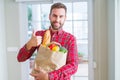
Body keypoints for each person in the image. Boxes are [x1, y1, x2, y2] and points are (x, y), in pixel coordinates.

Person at [17, 2, 79, 80]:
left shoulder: (70, 39)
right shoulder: (39, 35)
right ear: (49, 16)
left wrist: (49, 76)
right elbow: (20, 58)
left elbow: (73, 65)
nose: (57, 19)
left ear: (65, 18)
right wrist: (29, 44)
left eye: (61, 16)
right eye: (54, 16)